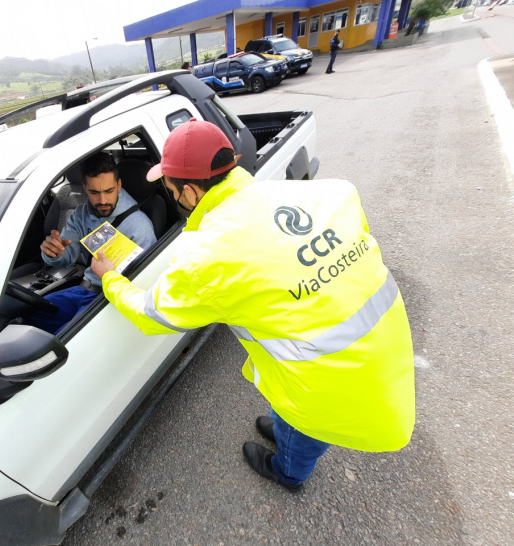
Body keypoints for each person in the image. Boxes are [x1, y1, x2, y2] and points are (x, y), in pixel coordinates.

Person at [91, 119, 415, 493]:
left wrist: (110, 279)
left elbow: (153, 314)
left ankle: (288, 472)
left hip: (324, 381)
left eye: (170, 186)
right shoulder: (329, 194)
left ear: (191, 193)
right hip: (386, 350)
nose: (169, 192)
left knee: (304, 428)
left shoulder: (209, 255)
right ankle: (281, 427)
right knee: (289, 410)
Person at [22, 152, 156, 335]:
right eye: (94, 192)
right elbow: (66, 257)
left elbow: (145, 283)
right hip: (82, 289)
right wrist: (53, 252)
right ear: (85, 188)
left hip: (108, 299)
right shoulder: (81, 214)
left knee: (57, 341)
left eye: (109, 191)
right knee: (27, 321)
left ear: (118, 185)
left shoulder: (139, 226)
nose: (102, 200)